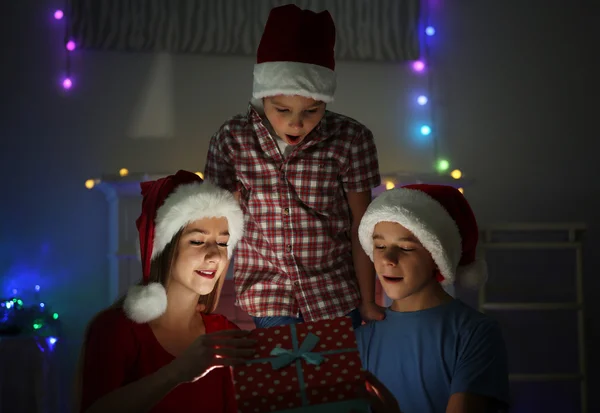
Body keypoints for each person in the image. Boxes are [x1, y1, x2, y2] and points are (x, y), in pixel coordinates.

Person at [204, 4, 384, 330]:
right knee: (286, 377)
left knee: (337, 378)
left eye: (312, 111)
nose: (296, 124)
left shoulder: (352, 139)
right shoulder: (232, 139)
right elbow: (219, 228)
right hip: (268, 292)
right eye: (282, 109)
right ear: (263, 97)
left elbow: (363, 223)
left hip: (335, 293)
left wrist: (368, 300)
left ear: (325, 101)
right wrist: (206, 301)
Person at [75, 170, 255, 413]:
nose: (215, 256)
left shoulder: (224, 334)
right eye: (197, 241)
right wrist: (177, 372)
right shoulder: (115, 330)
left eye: (223, 243)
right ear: (163, 248)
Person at [355, 184, 510, 413]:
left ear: (438, 255)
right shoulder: (360, 335)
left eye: (406, 248)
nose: (388, 258)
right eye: (380, 246)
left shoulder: (474, 333)